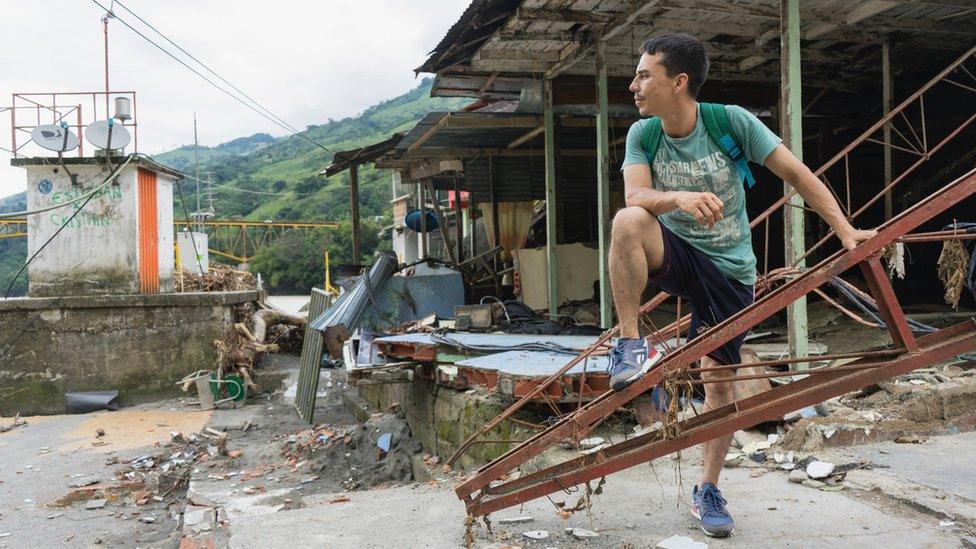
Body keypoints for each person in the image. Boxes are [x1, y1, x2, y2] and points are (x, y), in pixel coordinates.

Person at [607, 33, 876, 538]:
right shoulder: (643, 134)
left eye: (645, 75)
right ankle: (628, 345)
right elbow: (637, 193)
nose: (634, 84)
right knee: (627, 220)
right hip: (680, 253)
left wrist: (844, 231)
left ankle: (707, 487)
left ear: (679, 81)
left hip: (729, 269)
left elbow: (796, 173)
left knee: (719, 381)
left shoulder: (730, 122)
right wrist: (681, 199)